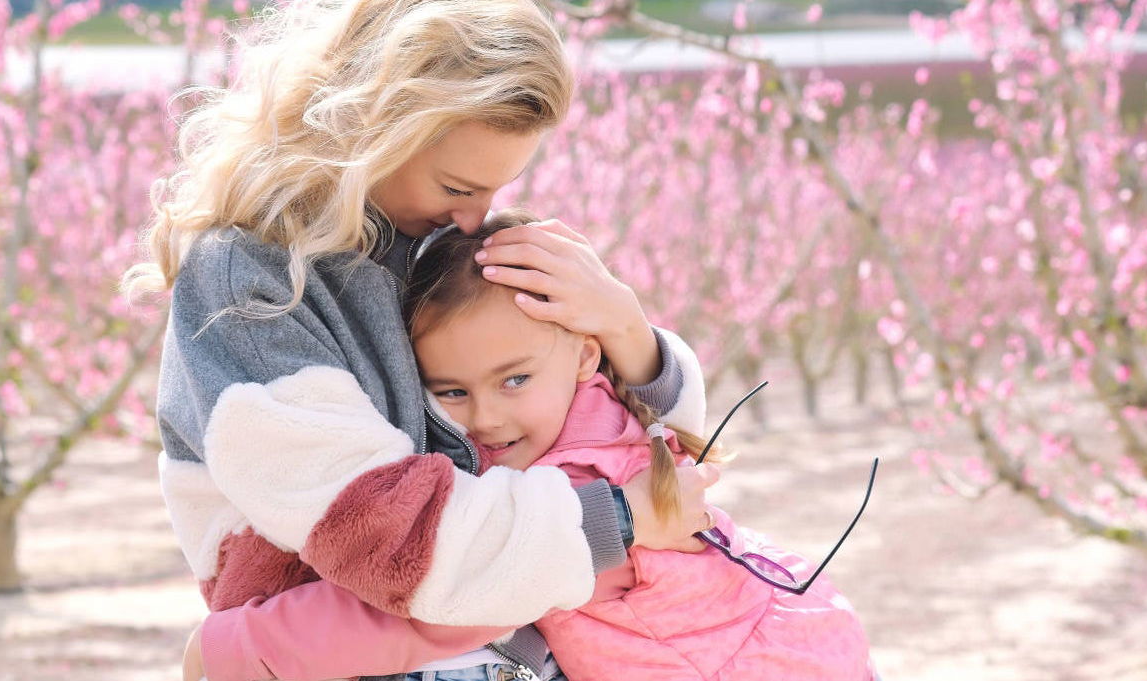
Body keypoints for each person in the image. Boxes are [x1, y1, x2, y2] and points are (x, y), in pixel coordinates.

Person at [123, 1, 719, 679]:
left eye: (496, 189)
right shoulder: (248, 283)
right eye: (457, 186)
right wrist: (615, 521)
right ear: (375, 126)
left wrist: (625, 329)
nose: (474, 217)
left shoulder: (432, 244)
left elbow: (623, 439)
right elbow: (383, 534)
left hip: (510, 645)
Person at [190, 209, 876, 681]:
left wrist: (244, 646)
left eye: (514, 379)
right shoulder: (596, 413)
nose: (487, 416)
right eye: (451, 391)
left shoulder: (585, 489)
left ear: (584, 355)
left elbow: (442, 608)